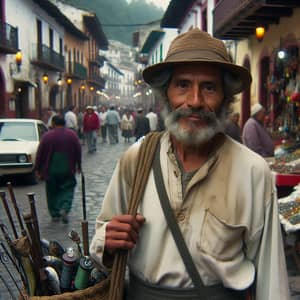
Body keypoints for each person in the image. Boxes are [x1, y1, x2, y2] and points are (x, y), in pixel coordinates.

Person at [90, 28, 290, 300]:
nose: (195, 101)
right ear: (166, 94)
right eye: (183, 84)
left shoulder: (253, 171)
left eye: (209, 87)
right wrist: (108, 242)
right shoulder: (136, 158)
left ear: (224, 98)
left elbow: (271, 276)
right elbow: (103, 236)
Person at [35, 115, 81, 224]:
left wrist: (37, 168)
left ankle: (55, 213)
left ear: (54, 123)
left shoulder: (47, 136)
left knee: (52, 192)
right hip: (68, 168)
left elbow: (40, 153)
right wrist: (79, 165)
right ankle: (65, 208)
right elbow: (78, 150)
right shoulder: (72, 135)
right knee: (68, 189)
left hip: (50, 169)